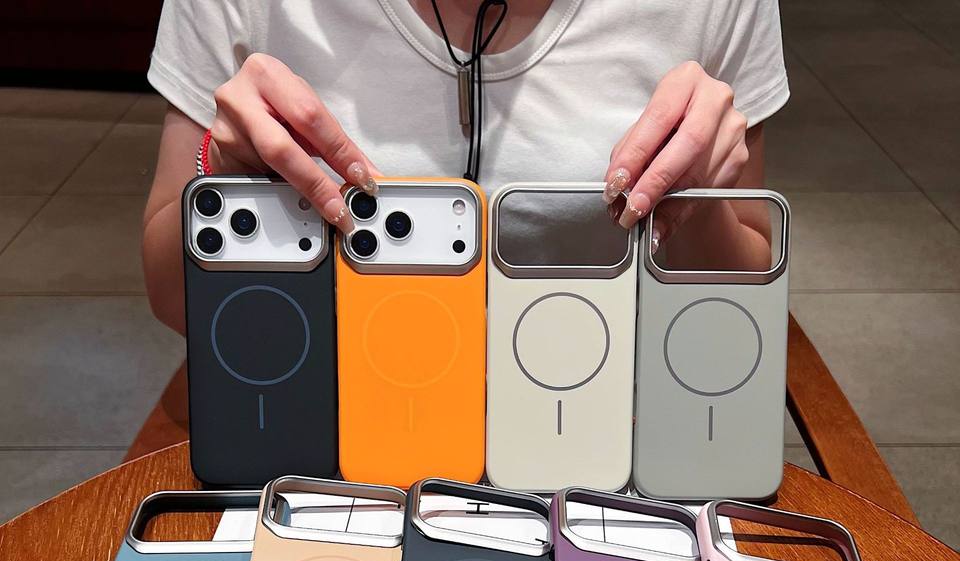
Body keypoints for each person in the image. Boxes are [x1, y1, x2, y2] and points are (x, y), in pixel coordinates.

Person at [143, 0, 788, 336]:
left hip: (612, 428)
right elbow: (173, 299)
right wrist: (223, 171)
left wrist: (694, 205)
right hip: (322, 430)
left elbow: (746, 303)